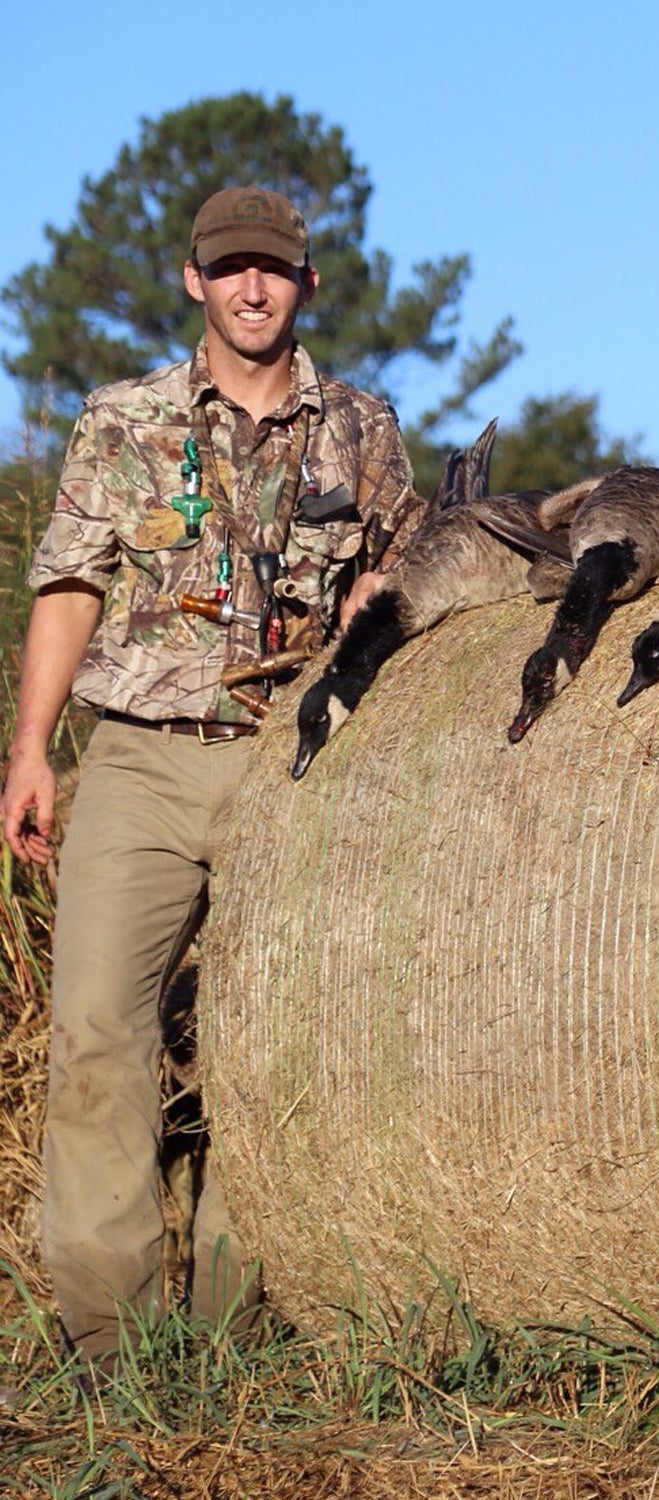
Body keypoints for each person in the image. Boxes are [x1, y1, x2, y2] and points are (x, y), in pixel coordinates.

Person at [1, 186, 424, 1366]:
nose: (251, 288)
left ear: (306, 285)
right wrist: (31, 752)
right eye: (229, 268)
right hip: (135, 759)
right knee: (97, 1032)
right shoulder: (120, 419)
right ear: (193, 279)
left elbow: (401, 585)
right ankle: (112, 1349)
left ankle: (242, 1332)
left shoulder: (364, 428)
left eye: (273, 270)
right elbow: (70, 587)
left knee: (265, 1042)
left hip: (291, 767)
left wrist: (370, 607)